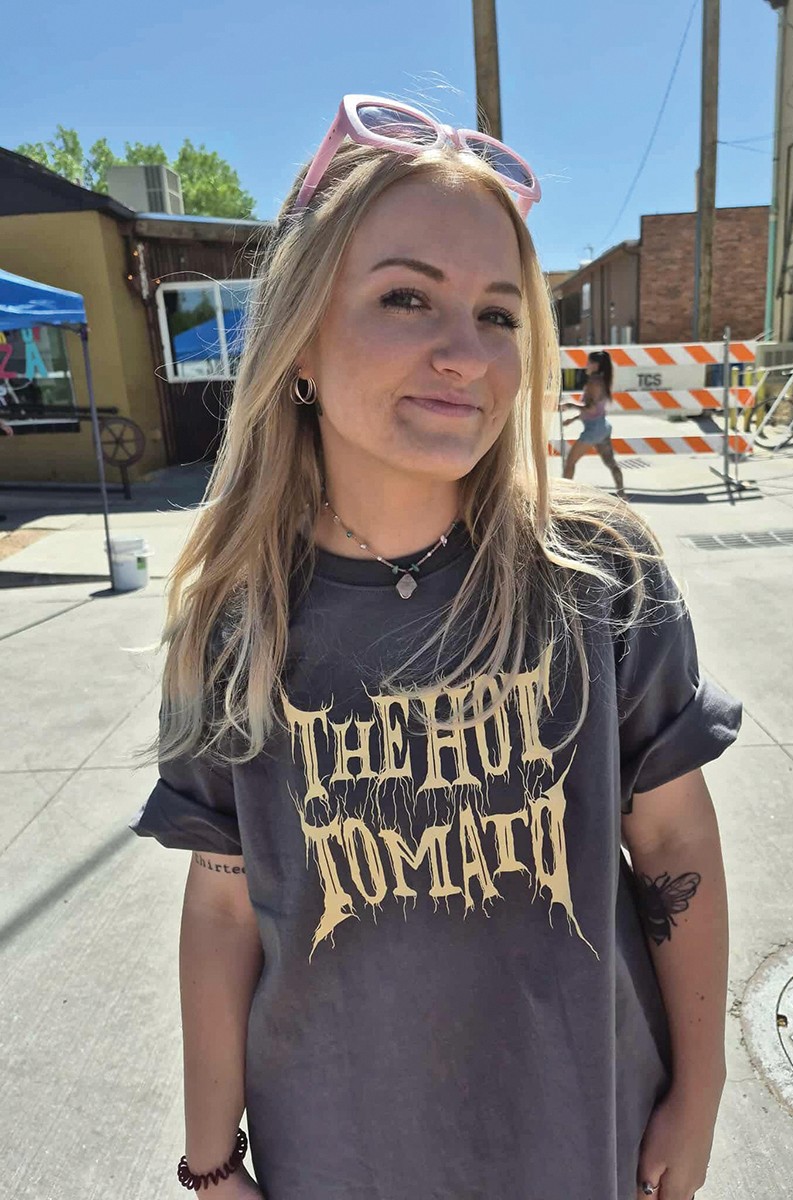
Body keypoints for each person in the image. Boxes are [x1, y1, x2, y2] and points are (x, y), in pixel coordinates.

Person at [130, 94, 741, 1200]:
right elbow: (223, 908)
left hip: (584, 1137)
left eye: (499, 314)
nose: (465, 354)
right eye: (406, 297)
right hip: (337, 1156)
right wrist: (211, 1163)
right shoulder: (238, 624)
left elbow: (673, 847)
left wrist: (699, 1097)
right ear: (300, 340)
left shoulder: (599, 579)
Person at [562, 348, 626, 496]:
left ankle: (564, 495)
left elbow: (590, 408)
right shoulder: (603, 381)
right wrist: (573, 419)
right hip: (602, 427)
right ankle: (622, 494)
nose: (586, 365)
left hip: (593, 430)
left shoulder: (593, 383)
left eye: (589, 362)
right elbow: (595, 410)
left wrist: (569, 404)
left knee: (570, 462)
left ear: (596, 365)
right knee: (611, 463)